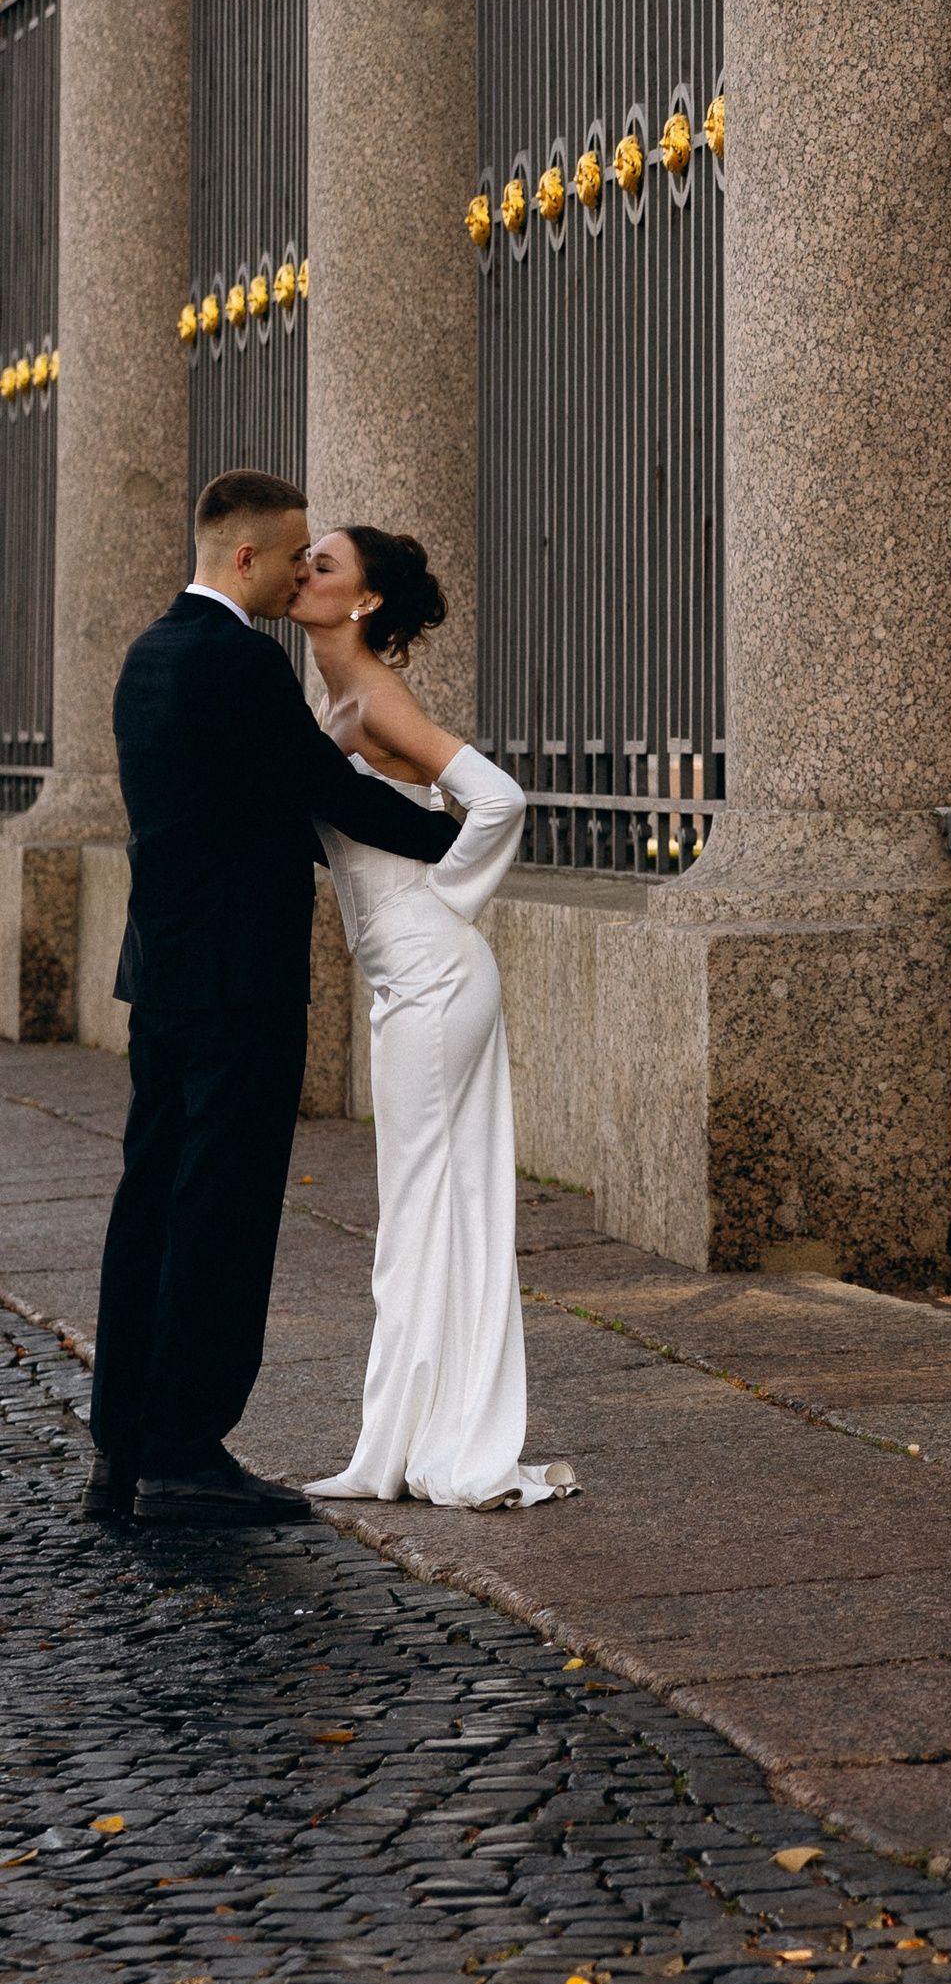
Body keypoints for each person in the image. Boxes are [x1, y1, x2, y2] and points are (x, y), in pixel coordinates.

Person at [89, 468, 462, 1530]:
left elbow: (240, 804)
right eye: (294, 555)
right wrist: (463, 838)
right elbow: (328, 794)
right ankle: (189, 1452)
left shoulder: (150, 656)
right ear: (243, 559)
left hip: (161, 976)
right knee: (223, 1209)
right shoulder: (238, 662)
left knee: (149, 1204)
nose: (304, 569)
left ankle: (120, 1447)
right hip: (239, 984)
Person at [288, 525, 572, 1512]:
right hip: (406, 974)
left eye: (324, 565)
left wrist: (446, 903)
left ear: (362, 602)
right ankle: (407, 1446)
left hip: (432, 970)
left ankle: (420, 1452)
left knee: (420, 1209)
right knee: (426, 1208)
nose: (302, 572)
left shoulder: (376, 696)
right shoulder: (336, 698)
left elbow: (497, 797)